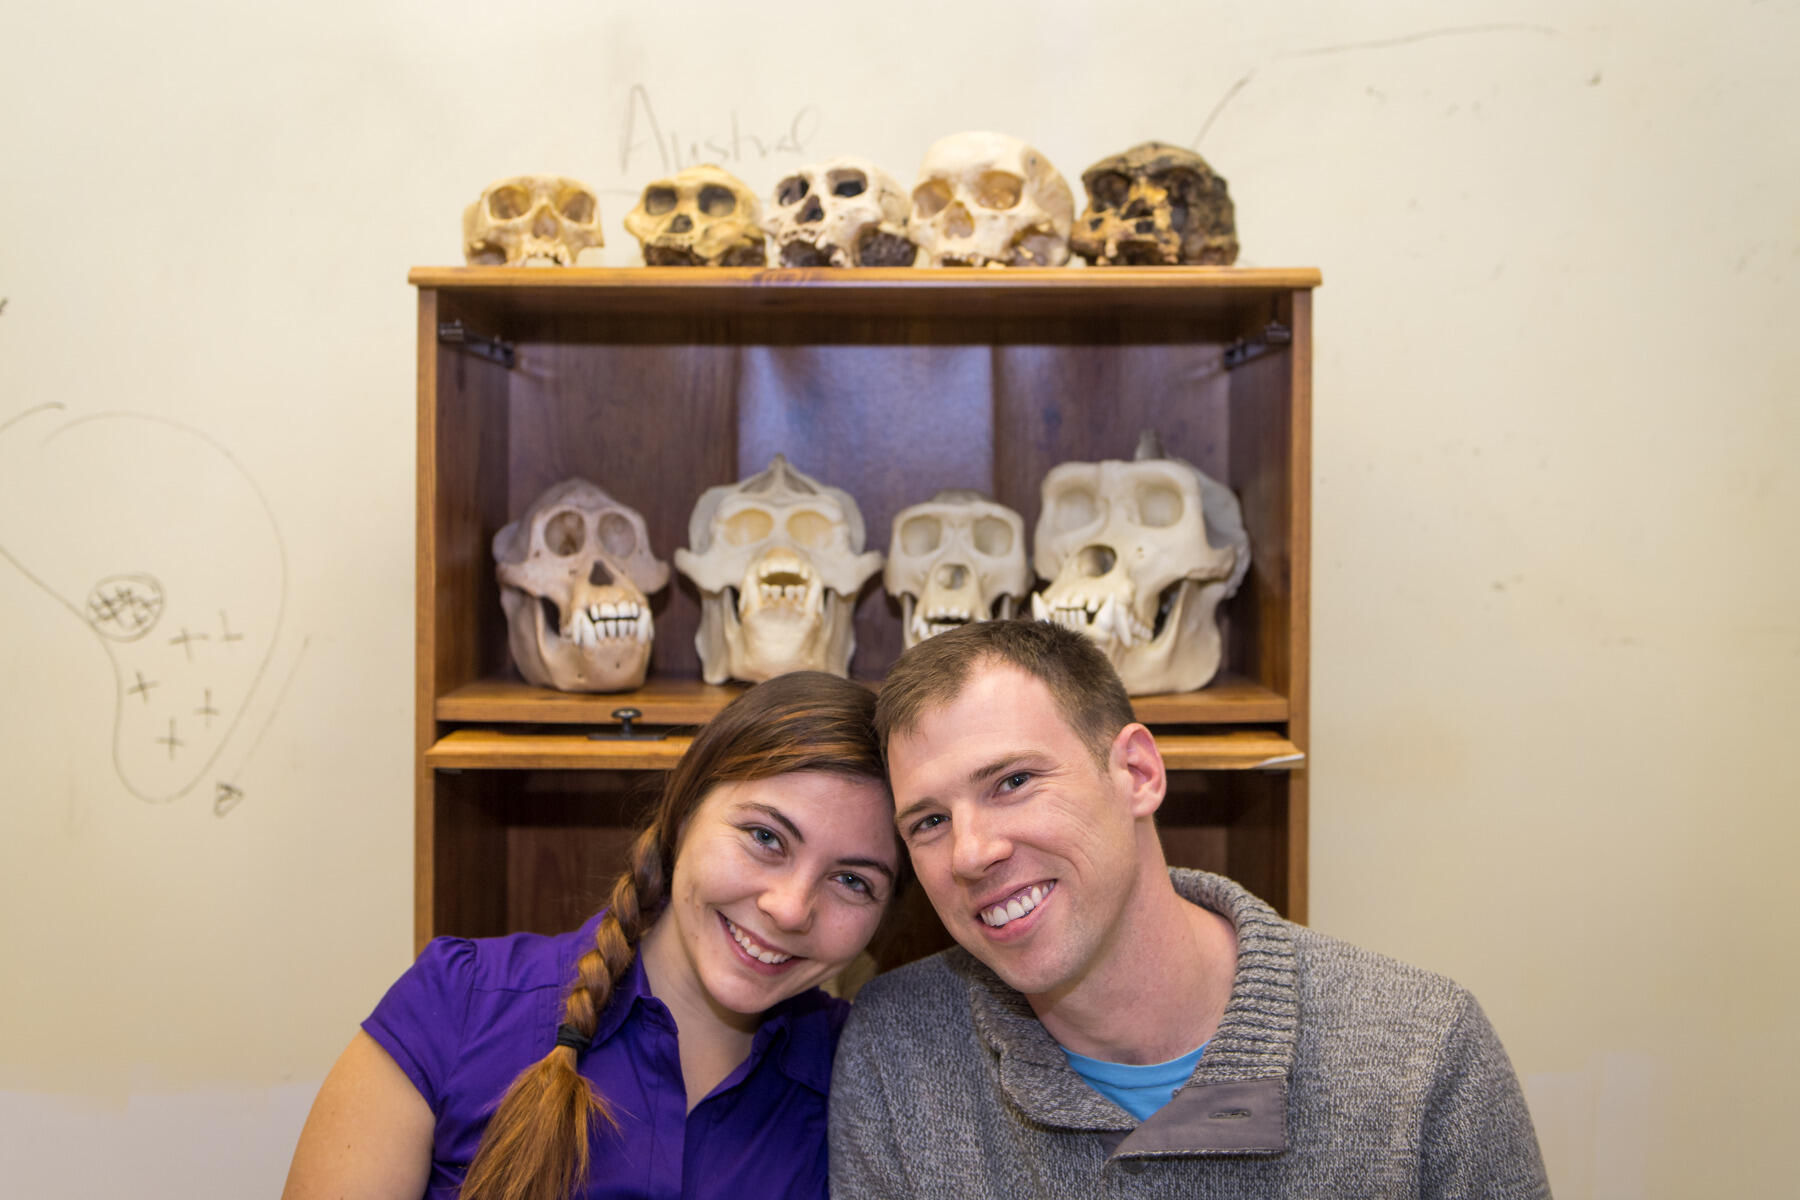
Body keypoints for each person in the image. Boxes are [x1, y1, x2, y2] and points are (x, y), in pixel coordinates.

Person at [830, 620, 1549, 1198]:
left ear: (1137, 774)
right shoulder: (898, 1051)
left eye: (1013, 781)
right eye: (928, 822)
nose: (971, 853)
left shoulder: (1422, 1054)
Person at [282, 671, 902, 1200]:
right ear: (683, 813)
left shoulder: (874, 1084)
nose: (790, 909)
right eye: (766, 837)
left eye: (852, 880)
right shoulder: (460, 1003)